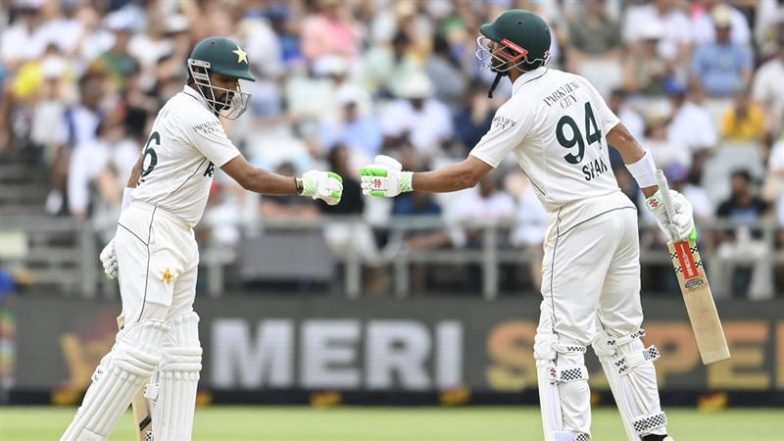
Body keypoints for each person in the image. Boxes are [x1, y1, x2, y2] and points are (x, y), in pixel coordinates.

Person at [360, 10, 694, 441]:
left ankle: (569, 436)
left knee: (559, 343)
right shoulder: (578, 83)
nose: (488, 51)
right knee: (622, 336)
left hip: (579, 219)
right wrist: (661, 201)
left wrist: (402, 181)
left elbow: (469, 174)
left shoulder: (519, 107)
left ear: (514, 55)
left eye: (495, 45)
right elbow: (628, 143)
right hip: (619, 211)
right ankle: (652, 434)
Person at [60, 36, 343, 441]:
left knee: (182, 351)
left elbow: (137, 170)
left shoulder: (176, 108)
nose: (232, 90)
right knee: (139, 348)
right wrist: (305, 183)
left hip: (174, 231)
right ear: (201, 73)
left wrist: (121, 230)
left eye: (236, 82)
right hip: (155, 227)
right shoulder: (196, 115)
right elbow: (248, 177)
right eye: (227, 80)